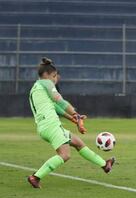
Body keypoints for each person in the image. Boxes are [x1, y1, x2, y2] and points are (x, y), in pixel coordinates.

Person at [27, 57, 115, 188]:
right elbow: (60, 101)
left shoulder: (35, 89)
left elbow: (56, 108)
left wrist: (73, 119)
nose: (55, 80)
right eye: (55, 77)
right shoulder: (47, 83)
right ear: (51, 75)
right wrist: (76, 114)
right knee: (65, 155)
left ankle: (104, 164)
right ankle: (36, 177)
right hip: (51, 125)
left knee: (78, 143)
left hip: (45, 126)